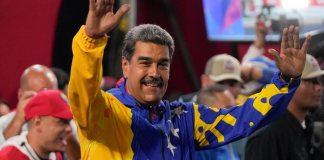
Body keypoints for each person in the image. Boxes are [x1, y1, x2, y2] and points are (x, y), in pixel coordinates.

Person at [68, 0, 311, 159]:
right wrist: (91, 40)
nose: (154, 72)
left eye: (162, 64)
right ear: (125, 65)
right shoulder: (103, 113)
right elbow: (83, 90)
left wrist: (286, 81)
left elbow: (242, 118)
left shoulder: (183, 118)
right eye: (144, 63)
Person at [245, 54, 324, 160]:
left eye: (319, 81)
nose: (319, 87)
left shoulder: (309, 128)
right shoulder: (266, 136)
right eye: (310, 81)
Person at [0, 90, 73, 160]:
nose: (69, 129)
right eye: (62, 122)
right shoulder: (9, 157)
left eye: (69, 122)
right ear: (37, 122)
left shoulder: (54, 154)